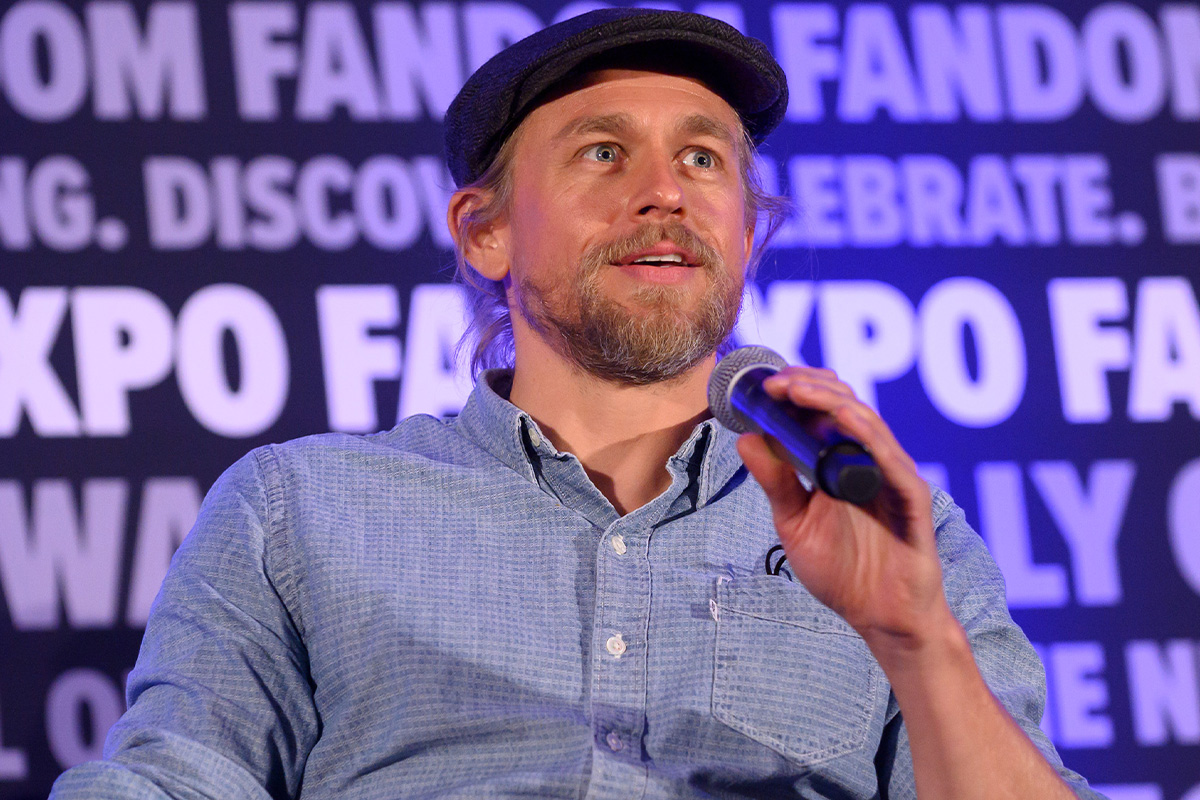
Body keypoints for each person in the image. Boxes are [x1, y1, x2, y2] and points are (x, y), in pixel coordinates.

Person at [51, 9, 1106, 799]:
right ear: (485, 232)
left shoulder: (896, 532)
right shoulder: (298, 511)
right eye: (605, 152)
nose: (666, 190)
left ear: (750, 234)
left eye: (702, 157)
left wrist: (916, 637)